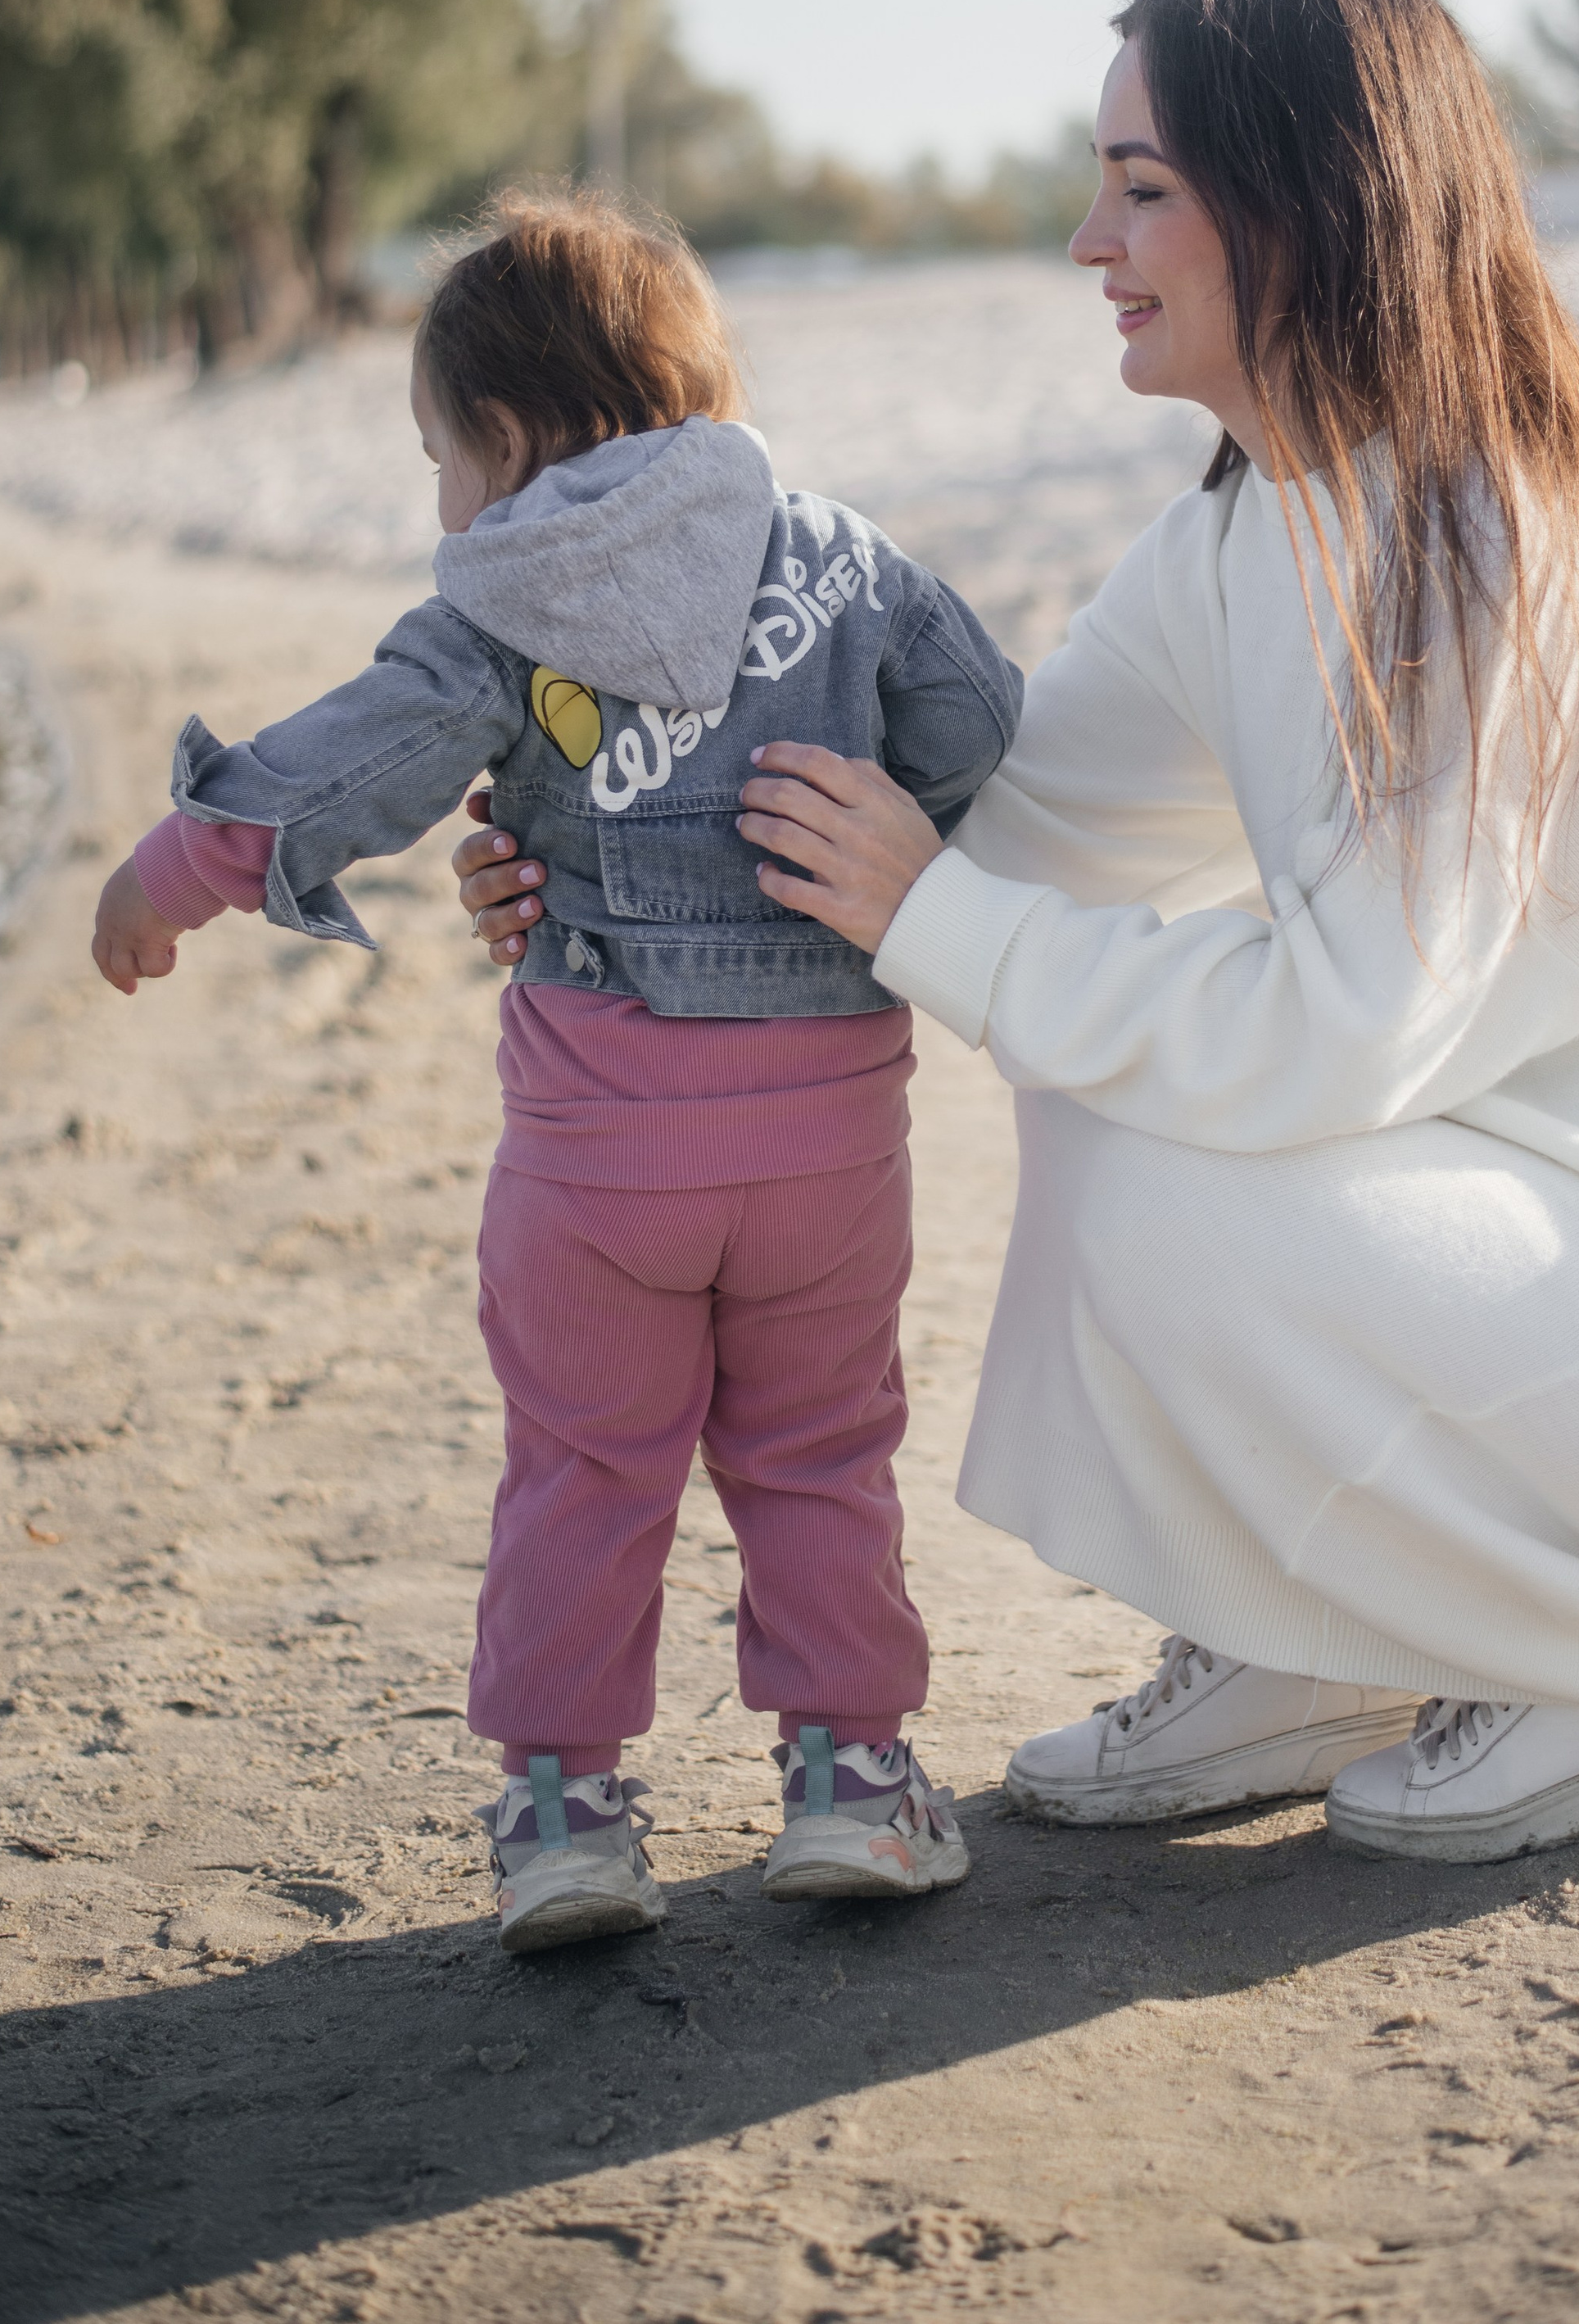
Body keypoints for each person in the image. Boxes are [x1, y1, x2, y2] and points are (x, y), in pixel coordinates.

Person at [459, 0, 1579, 1869]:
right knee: (1093, 1053)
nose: (1090, 236)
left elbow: (1337, 1027)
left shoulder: (1499, 545)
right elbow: (989, 848)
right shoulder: (1244, 531)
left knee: (1148, 1112)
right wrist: (614, 872)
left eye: (1142, 184)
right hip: (1577, 1281)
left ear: (1308, 201)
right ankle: (1323, 1629)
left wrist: (963, 931)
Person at [91, 188, 1022, 1946]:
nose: (440, 493)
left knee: (585, 1462)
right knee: (823, 1446)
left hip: (600, 1151)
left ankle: (565, 1813)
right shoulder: (835, 553)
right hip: (828, 1141)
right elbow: (975, 723)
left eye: (434, 451)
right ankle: (851, 1777)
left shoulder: (500, 592)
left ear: (506, 439)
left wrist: (169, 872)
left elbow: (343, 764)